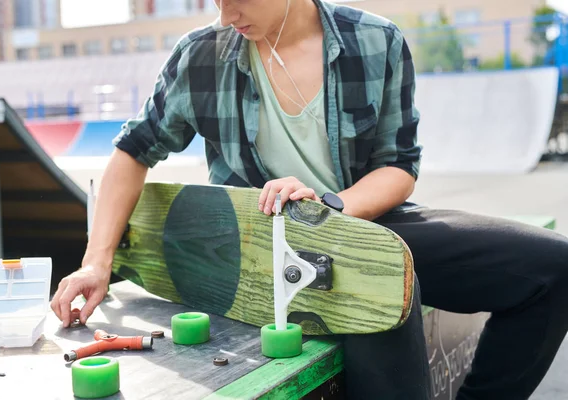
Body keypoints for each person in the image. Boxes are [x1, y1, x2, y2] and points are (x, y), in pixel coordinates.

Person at [50, 0, 568, 398]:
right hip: (260, 253)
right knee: (375, 295)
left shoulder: (375, 40)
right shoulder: (200, 55)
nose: (226, 15)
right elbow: (131, 153)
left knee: (553, 268)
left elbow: (398, 165)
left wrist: (327, 205)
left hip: (362, 222)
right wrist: (98, 261)